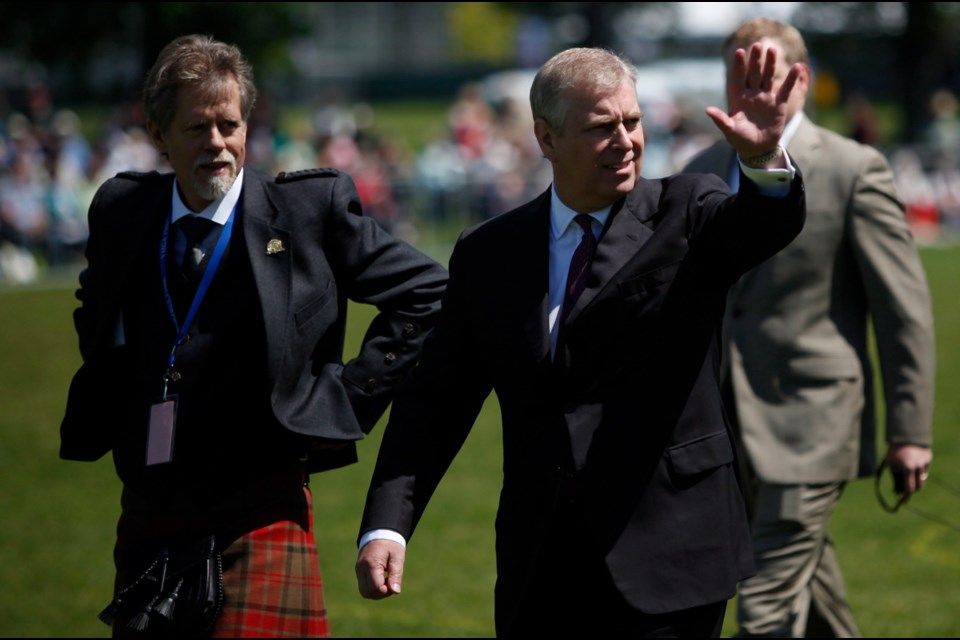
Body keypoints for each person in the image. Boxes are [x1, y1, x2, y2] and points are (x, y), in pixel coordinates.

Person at [355, 44, 806, 637]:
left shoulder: (688, 210)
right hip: (542, 562)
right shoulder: (489, 254)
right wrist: (387, 524)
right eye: (601, 127)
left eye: (633, 121)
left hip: (671, 553)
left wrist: (766, 159)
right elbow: (436, 400)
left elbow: (762, 225)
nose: (625, 141)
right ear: (545, 138)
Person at [59, 34, 447, 638]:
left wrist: (347, 395)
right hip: (151, 503)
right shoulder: (123, 211)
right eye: (197, 128)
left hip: (261, 503)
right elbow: (96, 310)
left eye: (229, 124)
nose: (217, 143)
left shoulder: (304, 211)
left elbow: (427, 292)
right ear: (158, 135)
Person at [682, 17, 935, 638]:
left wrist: (910, 431)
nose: (752, 90)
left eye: (766, 74)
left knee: (764, 607)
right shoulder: (702, 166)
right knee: (812, 593)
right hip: (725, 429)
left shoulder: (854, 168)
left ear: (801, 78)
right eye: (739, 75)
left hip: (813, 423)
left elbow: (903, 310)